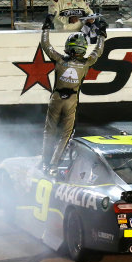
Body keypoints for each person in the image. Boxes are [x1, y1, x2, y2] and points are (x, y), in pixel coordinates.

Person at [40, 15, 107, 173]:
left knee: (49, 131)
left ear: (69, 46)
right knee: (66, 134)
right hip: (72, 100)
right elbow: (98, 50)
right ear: (82, 48)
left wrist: (46, 27)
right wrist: (102, 34)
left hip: (55, 98)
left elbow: (45, 45)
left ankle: (44, 162)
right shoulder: (86, 63)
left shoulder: (59, 60)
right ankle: (54, 166)